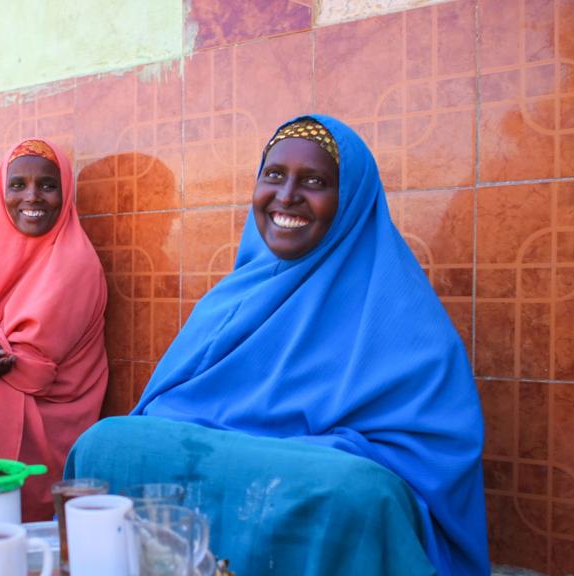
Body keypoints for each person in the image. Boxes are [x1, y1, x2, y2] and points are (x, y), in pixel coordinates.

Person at [66, 116, 488, 575]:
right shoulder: (232, 298)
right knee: (103, 443)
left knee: (353, 492)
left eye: (314, 181)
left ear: (349, 200)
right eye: (274, 175)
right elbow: (167, 409)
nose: (286, 196)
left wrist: (313, 452)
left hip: (323, 479)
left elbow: (427, 462)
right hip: (234, 457)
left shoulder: (404, 314)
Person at [0, 138, 108, 521]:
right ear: (2, 192)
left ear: (65, 193)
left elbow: (28, 368)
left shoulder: (73, 262)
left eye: (47, 185)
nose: (32, 196)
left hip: (41, 417)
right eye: (18, 185)